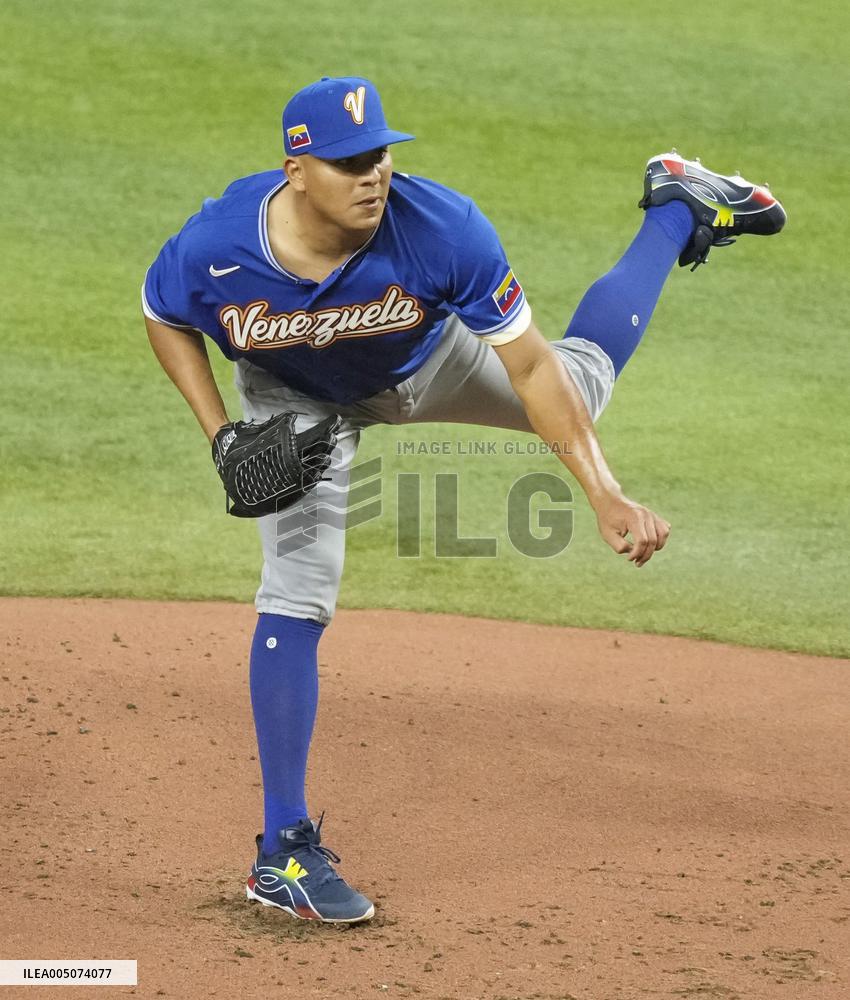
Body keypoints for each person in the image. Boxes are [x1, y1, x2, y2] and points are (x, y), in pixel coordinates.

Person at [142, 76, 785, 923]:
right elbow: (162, 311)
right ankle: (283, 854)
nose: (372, 176)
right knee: (296, 589)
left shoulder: (443, 226)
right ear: (296, 169)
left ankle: (674, 204)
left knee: (579, 385)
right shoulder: (218, 245)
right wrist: (221, 433)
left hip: (429, 361)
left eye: (378, 156)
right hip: (298, 405)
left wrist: (605, 492)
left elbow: (527, 366)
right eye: (346, 163)